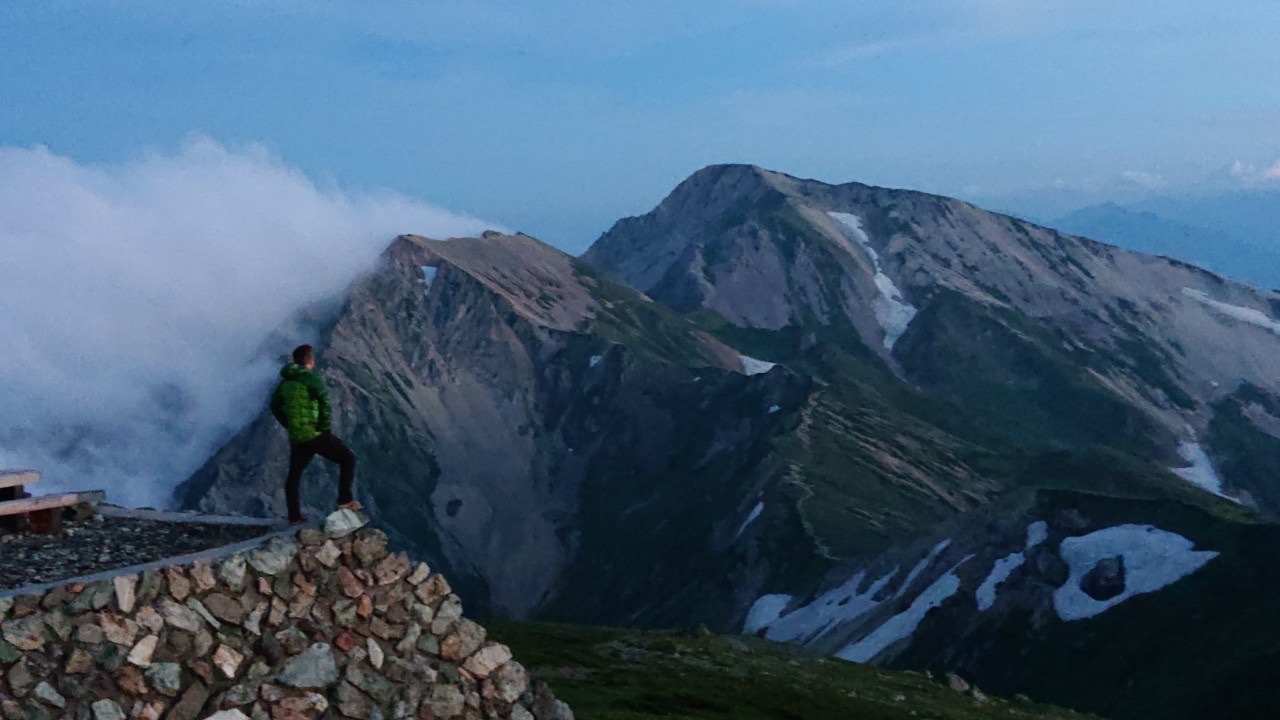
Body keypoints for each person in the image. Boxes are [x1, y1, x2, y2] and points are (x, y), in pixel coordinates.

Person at [271, 344, 359, 524]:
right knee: (347, 459)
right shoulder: (310, 379)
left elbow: (274, 406)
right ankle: (345, 500)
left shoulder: (284, 383)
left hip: (297, 435)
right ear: (310, 361)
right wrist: (324, 428)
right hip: (314, 432)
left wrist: (289, 424)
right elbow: (325, 401)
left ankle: (294, 516)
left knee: (294, 475)